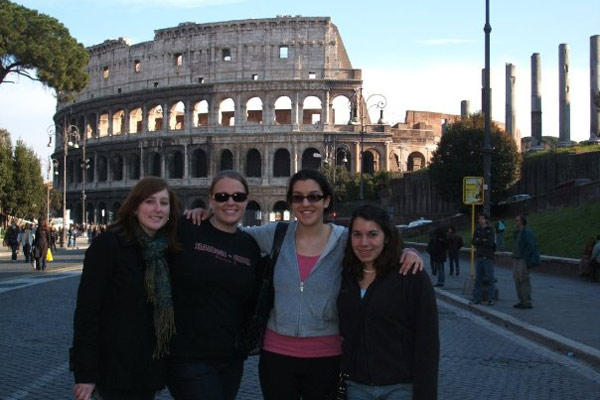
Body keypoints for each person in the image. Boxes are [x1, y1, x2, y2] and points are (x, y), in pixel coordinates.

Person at [186, 169, 423, 400]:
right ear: (290, 202)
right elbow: (232, 234)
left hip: (328, 356)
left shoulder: (344, 240)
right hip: (276, 355)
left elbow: (374, 246)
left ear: (326, 200)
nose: (305, 203)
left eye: (314, 196)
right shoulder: (275, 234)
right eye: (298, 197)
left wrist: (408, 251)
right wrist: (208, 214)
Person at [71, 176, 181, 400]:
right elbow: (87, 312)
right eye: (149, 201)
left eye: (163, 202)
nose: (157, 209)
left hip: (147, 370)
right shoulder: (109, 244)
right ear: (134, 207)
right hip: (112, 369)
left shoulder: (168, 250)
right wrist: (86, 373)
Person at [166, 171, 262, 400]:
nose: (230, 202)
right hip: (188, 356)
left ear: (246, 201)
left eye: (238, 197)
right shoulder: (187, 229)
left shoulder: (249, 246)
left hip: (230, 358)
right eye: (222, 197)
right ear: (210, 200)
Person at [338, 205, 439, 400]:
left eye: (373, 234)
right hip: (356, 387)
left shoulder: (410, 275)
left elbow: (427, 342)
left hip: (400, 388)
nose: (364, 242)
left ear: (386, 237)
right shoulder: (344, 275)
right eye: (357, 235)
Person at [512, 215, 539, 309]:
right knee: (517, 280)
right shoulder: (517, 233)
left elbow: (531, 246)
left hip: (523, 259)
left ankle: (526, 301)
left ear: (522, 222)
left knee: (523, 280)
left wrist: (526, 258)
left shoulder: (527, 232)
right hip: (516, 258)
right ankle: (521, 300)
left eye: (517, 221)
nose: (516, 222)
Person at [471, 214, 496, 305]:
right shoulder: (477, 230)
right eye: (479, 218)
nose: (480, 220)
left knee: (490, 278)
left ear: (486, 220)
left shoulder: (490, 230)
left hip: (488, 257)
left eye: (482, 219)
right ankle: (476, 298)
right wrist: (482, 240)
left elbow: (490, 242)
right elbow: (473, 241)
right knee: (478, 279)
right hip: (479, 256)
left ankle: (491, 298)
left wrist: (479, 240)